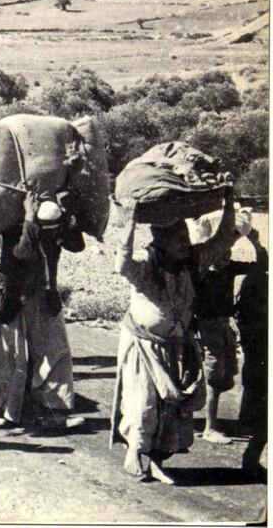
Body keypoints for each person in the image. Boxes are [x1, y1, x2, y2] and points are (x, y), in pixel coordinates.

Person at [111, 190, 236, 485]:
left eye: (186, 237)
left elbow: (222, 241)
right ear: (161, 240)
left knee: (170, 412)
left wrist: (229, 205)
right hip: (144, 347)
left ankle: (155, 462)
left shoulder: (191, 261)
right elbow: (121, 263)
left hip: (177, 348)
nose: (186, 243)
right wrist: (128, 222)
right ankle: (135, 454)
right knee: (143, 405)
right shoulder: (145, 265)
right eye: (178, 238)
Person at [0, 203, 83, 431]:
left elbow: (76, 245)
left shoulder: (56, 231)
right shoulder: (13, 229)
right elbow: (23, 252)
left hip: (45, 299)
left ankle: (55, 412)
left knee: (55, 353)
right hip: (15, 301)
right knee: (16, 357)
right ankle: (10, 413)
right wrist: (29, 221)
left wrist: (72, 221)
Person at [191, 222, 252, 445]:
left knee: (224, 378)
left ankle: (193, 418)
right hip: (207, 329)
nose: (226, 256)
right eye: (221, 252)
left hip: (223, 327)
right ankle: (209, 428)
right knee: (214, 378)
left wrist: (251, 237)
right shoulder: (201, 273)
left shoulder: (229, 267)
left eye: (228, 252)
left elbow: (261, 263)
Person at [235, 228, 268, 476]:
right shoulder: (258, 281)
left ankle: (251, 457)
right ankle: (250, 458)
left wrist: (255, 241)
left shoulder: (258, 278)